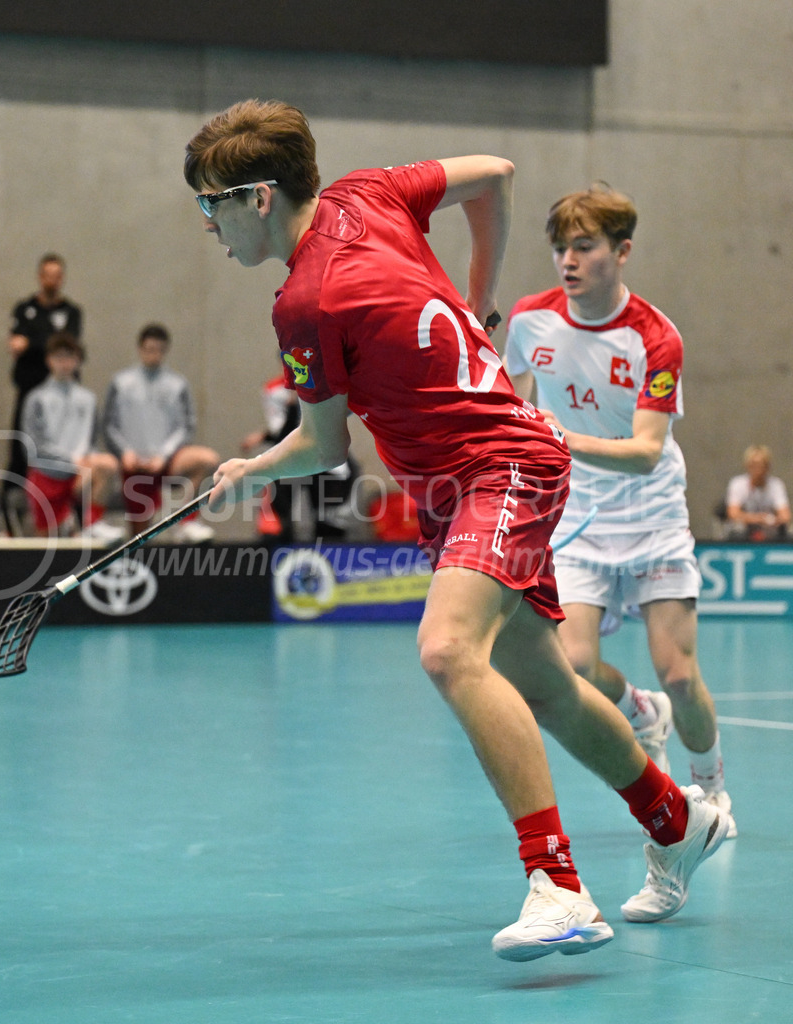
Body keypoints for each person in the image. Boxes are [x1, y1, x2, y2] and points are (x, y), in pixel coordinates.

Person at [184, 99, 732, 961]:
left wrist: (254, 468)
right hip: (457, 489)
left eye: (211, 202)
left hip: (501, 466)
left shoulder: (304, 303)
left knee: (446, 650)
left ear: (258, 197)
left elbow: (324, 447)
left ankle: (558, 884)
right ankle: (676, 818)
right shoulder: (368, 192)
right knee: (547, 685)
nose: (207, 223)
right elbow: (494, 177)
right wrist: (480, 297)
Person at [504, 183, 736, 835]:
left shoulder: (655, 338)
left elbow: (644, 451)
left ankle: (711, 788)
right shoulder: (530, 320)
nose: (568, 261)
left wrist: (561, 437)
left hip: (652, 517)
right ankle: (640, 710)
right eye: (560, 248)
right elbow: (514, 403)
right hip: (577, 521)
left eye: (584, 247)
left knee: (680, 674)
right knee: (574, 666)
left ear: (622, 251)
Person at [100, 323, 219, 542]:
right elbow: (108, 425)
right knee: (139, 535)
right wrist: (125, 452)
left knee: (207, 459)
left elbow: (186, 426)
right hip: (131, 463)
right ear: (140, 348)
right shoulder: (121, 382)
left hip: (165, 462)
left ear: (165, 351)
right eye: (149, 349)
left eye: (158, 350)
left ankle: (187, 522)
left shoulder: (177, 384)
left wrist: (164, 455)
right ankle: (105, 531)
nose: (153, 355)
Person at [20, 332, 121, 540]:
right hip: (48, 475)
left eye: (69, 357)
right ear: (49, 360)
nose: (64, 363)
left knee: (107, 464)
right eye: (59, 357)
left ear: (78, 361)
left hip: (79, 474)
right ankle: (67, 523)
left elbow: (91, 441)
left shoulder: (88, 399)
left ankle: (92, 523)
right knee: (48, 546)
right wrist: (69, 459)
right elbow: (32, 446)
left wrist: (83, 460)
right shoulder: (36, 398)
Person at [240, 373, 360, 542]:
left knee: (329, 525)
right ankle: (281, 534)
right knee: (280, 515)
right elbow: (282, 433)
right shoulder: (275, 391)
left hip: (327, 459)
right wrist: (292, 404)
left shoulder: (331, 381)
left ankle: (328, 535)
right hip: (294, 458)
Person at [6, 253, 84, 490]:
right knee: (21, 449)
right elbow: (16, 345)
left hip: (63, 395)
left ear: (62, 278)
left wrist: (30, 342)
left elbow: (66, 344)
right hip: (29, 389)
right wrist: (46, 340)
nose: (52, 281)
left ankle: (70, 507)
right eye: (47, 275)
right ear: (40, 277)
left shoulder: (71, 312)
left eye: (57, 276)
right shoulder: (24, 309)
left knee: (66, 449)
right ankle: (12, 509)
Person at [725, 444, 790, 541]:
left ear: (767, 467)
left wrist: (772, 520)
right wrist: (758, 519)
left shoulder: (776, 485)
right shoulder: (738, 484)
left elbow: (785, 516)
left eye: (761, 465)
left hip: (769, 531)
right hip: (745, 530)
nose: (757, 470)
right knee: (737, 530)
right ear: (747, 466)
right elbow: (733, 513)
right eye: (754, 465)